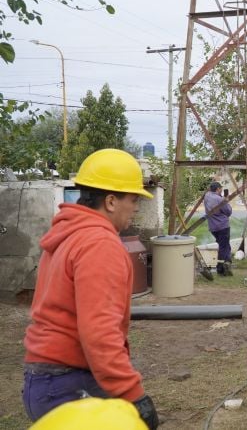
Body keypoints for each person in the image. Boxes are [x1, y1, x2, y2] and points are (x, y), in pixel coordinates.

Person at [22, 148, 159, 429]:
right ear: (110, 201)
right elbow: (99, 331)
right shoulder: (99, 243)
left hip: (44, 380)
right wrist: (133, 395)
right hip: (69, 383)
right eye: (133, 199)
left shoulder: (69, 234)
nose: (135, 207)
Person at [204, 181, 233, 276]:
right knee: (224, 248)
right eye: (220, 189)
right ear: (217, 189)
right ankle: (222, 269)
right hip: (223, 226)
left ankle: (226, 265)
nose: (221, 190)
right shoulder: (219, 199)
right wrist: (226, 201)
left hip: (213, 227)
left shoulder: (207, 196)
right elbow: (228, 212)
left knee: (223, 246)